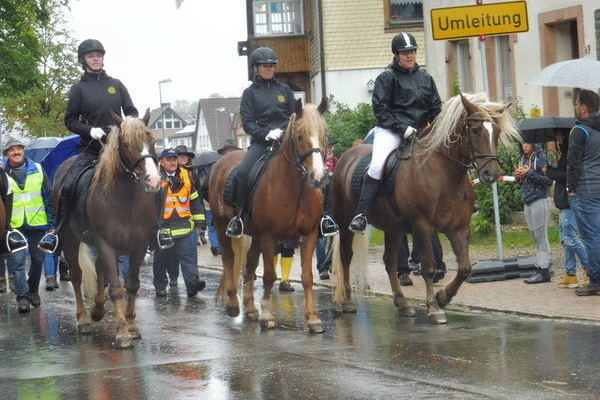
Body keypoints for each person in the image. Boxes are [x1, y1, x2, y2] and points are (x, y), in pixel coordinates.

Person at [38, 39, 173, 252]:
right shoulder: (78, 89)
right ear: (83, 60)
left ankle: (157, 230)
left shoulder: (116, 85)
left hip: (121, 151)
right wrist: (89, 129)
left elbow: (131, 111)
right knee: (69, 185)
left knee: (155, 181)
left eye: (99, 55)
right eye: (91, 56)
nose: (96, 58)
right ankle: (58, 232)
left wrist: (131, 124)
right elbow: (70, 120)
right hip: (92, 149)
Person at [349, 32, 441, 232]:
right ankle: (361, 214)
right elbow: (380, 109)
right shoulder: (386, 77)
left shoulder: (426, 78)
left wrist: (433, 127)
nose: (409, 56)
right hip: (391, 131)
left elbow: (435, 107)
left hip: (420, 132)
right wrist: (401, 128)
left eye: (412, 52)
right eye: (404, 53)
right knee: (377, 164)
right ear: (396, 55)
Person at [225, 47, 296, 238]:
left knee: (314, 166)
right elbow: (247, 123)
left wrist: (286, 131)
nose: (269, 69)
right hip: (262, 143)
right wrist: (266, 133)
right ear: (256, 68)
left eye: (272, 65)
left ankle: (323, 217)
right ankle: (239, 217)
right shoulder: (249, 93)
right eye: (265, 66)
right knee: (241, 173)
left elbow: (295, 115)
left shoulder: (285, 90)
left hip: (286, 141)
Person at [3, 137, 55, 313]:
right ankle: (22, 298)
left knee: (38, 259)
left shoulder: (39, 169)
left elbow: (49, 197)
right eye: (12, 150)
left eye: (19, 148)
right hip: (13, 225)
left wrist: (52, 223)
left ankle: (33, 291)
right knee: (17, 262)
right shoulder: (2, 173)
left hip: (37, 223)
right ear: (6, 154)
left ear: (23, 151)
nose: (16, 152)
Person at [153, 149, 206, 298]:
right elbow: (148, 204)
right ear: (161, 162)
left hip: (184, 226)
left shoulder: (186, 176)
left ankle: (192, 285)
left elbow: (194, 199)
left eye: (174, 159)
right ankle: (160, 286)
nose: (172, 162)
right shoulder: (154, 177)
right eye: (168, 159)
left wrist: (200, 220)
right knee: (161, 261)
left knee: (189, 257)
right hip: (163, 228)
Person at [544, 131, 589, 288]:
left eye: (559, 135)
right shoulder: (565, 153)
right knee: (565, 240)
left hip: (569, 202)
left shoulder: (571, 153)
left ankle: (590, 269)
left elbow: (567, 176)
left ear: (565, 137)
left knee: (570, 238)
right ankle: (570, 274)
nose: (557, 138)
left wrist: (549, 171)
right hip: (564, 203)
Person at [566, 89, 600, 296]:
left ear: (584, 108)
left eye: (576, 104)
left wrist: (570, 189)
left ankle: (596, 281)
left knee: (591, 237)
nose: (575, 108)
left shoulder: (579, 131)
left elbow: (573, 163)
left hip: (585, 192)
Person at [515, 142, 553, 284]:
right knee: (535, 236)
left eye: (527, 143)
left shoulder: (541, 157)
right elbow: (524, 180)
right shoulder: (524, 158)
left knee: (541, 235)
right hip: (527, 200)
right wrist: (518, 176)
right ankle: (539, 267)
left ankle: (544, 270)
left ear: (534, 144)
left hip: (540, 199)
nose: (524, 146)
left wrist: (529, 173)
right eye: (523, 143)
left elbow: (548, 180)